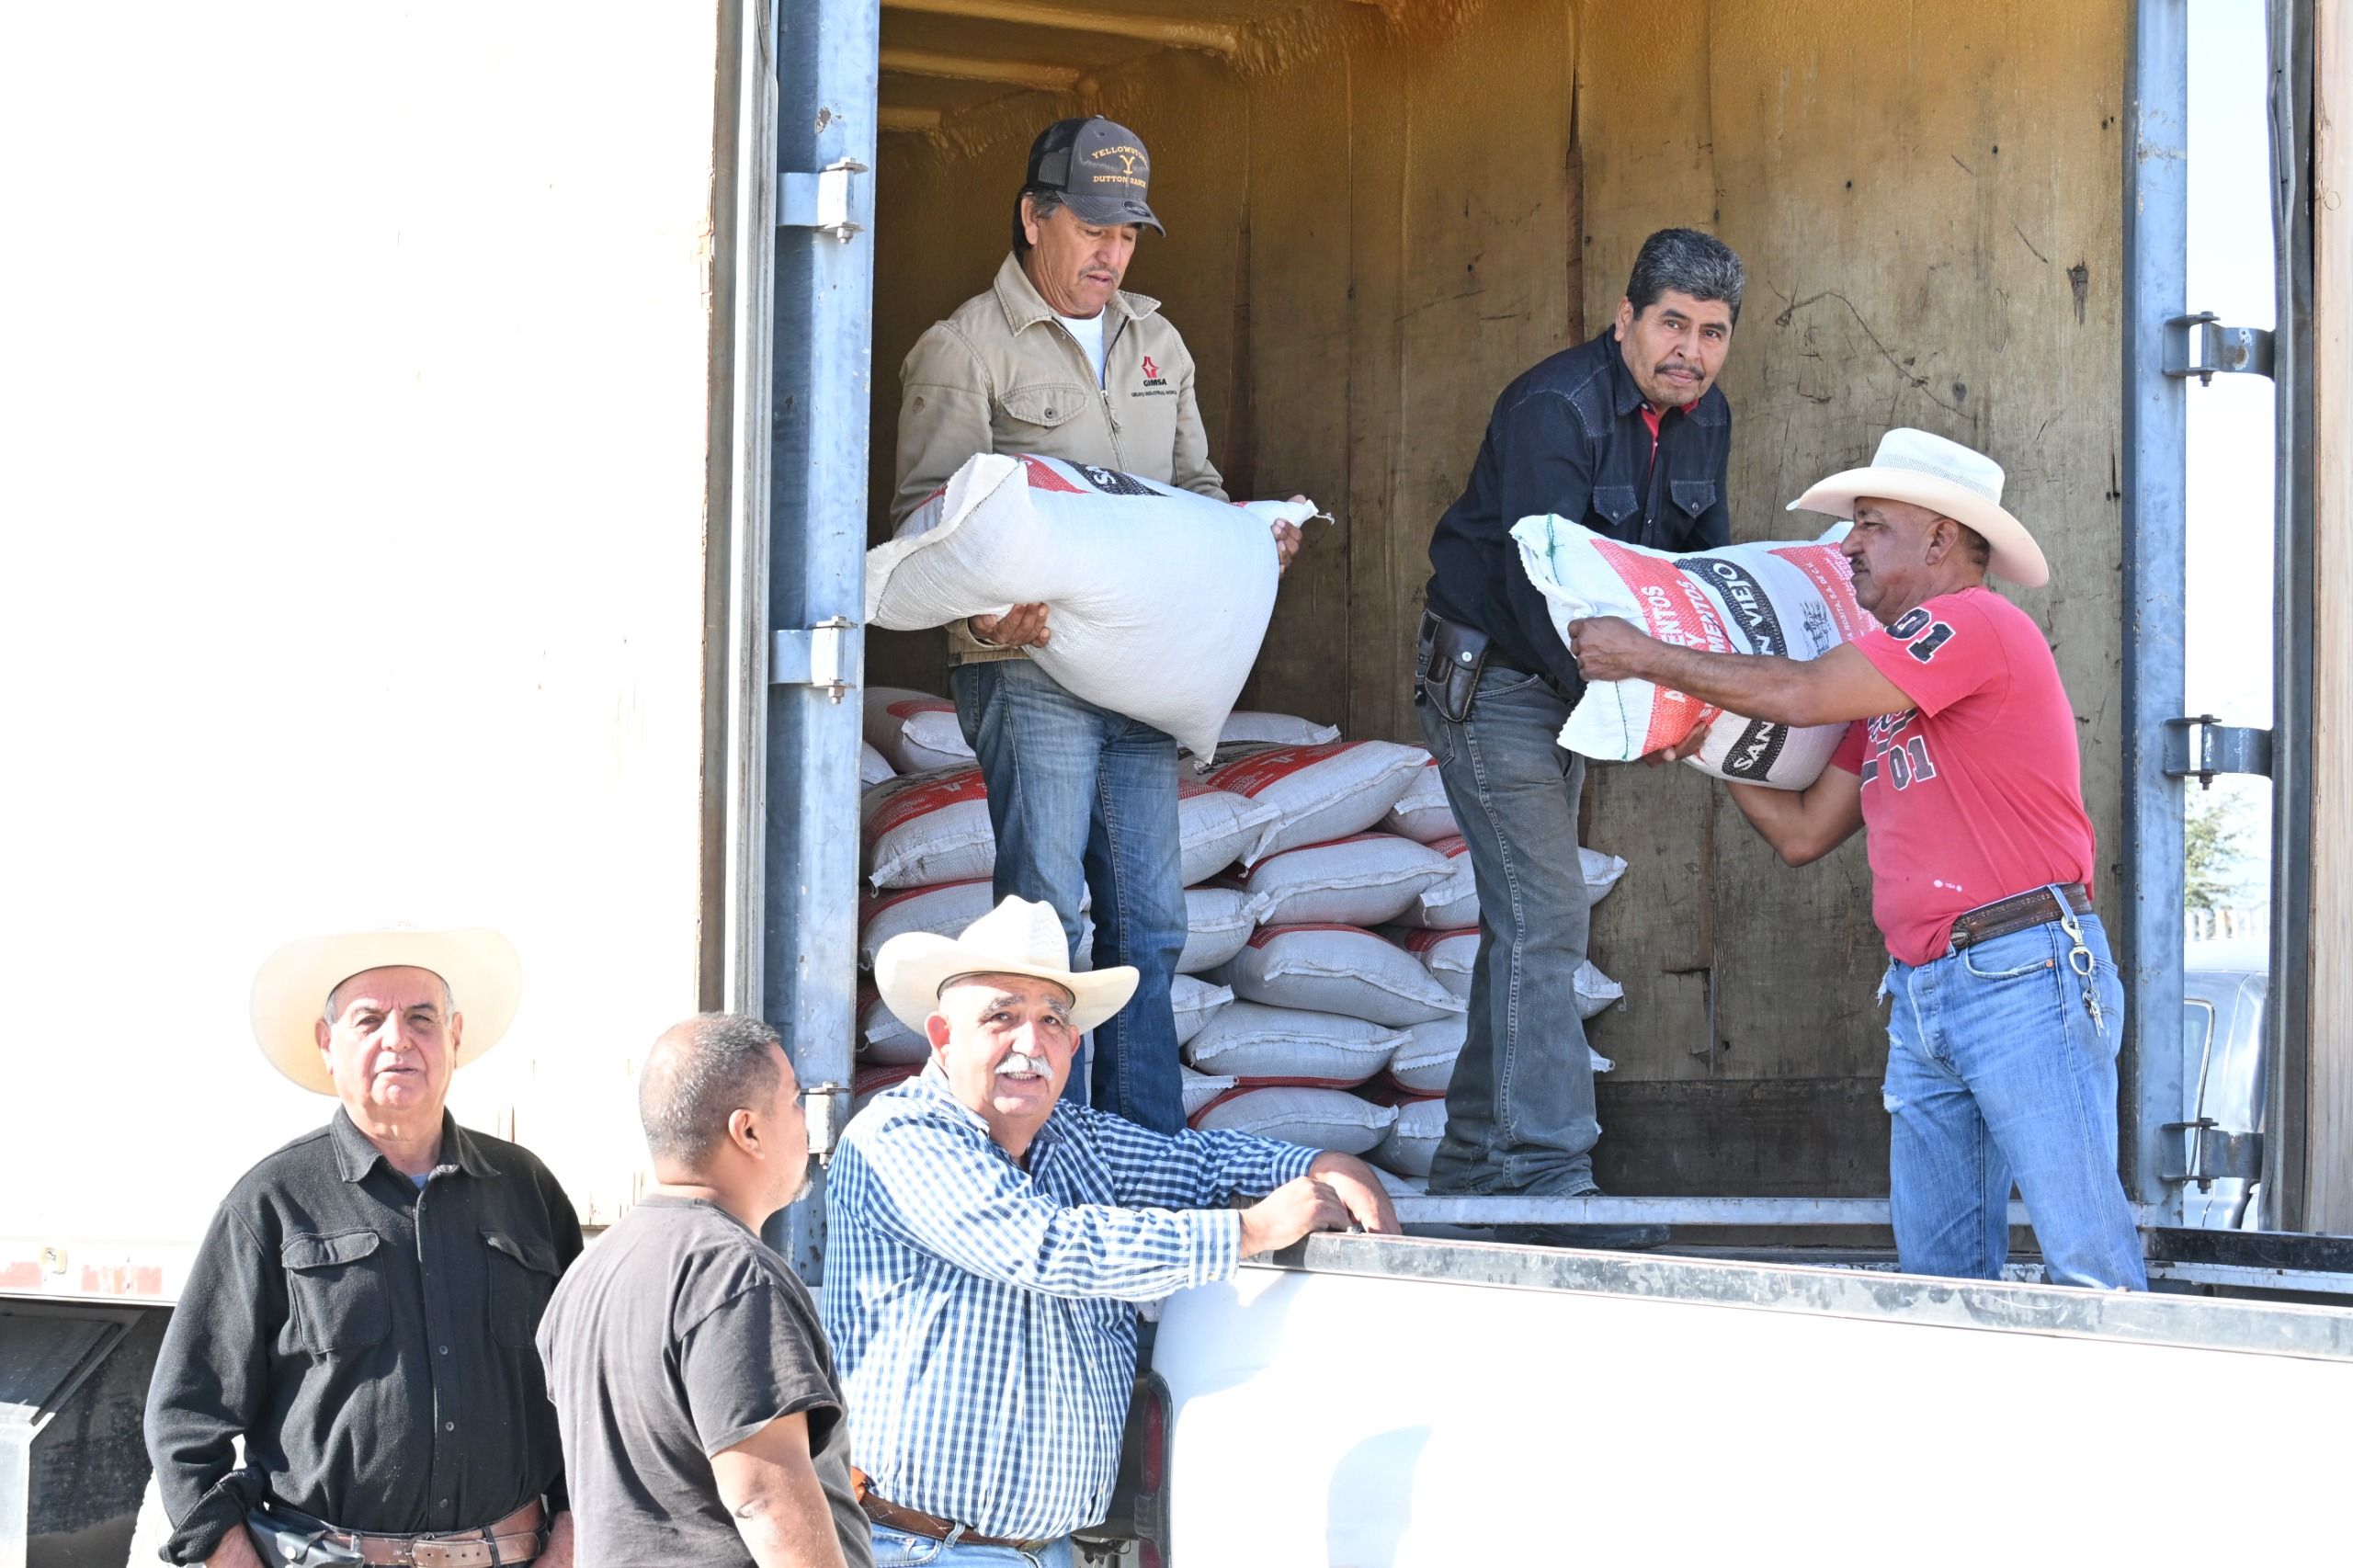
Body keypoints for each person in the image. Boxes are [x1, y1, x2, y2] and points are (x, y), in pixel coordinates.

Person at [1567, 427, 2146, 1290]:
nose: (1848, 546)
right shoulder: (1885, 695)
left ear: (1942, 539)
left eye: (1872, 523)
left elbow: (1800, 696)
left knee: (2089, 1266)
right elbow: (1802, 833)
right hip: (1929, 993)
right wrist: (1698, 745)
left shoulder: (1974, 624)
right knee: (1940, 1281)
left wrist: (1648, 658)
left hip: (2024, 976)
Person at [889, 115, 1303, 1134]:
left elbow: (1195, 492)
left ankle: (1143, 1150)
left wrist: (1252, 541)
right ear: (1036, 218)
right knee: (1043, 923)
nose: (1111, 254)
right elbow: (920, 518)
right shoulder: (961, 349)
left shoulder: (1158, 343)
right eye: (1092, 228)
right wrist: (989, 601)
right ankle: (1046, 1146)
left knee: (1150, 927)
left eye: (1127, 234)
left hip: (1140, 667)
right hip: (1024, 668)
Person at [825, 896, 1397, 1563]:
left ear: (1073, 1045)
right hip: (919, 1548)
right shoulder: (901, 1135)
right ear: (945, 1038)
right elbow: (1048, 1247)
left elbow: (1199, 1163)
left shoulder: (1074, 1138)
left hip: (1045, 1549)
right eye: (1001, 1017)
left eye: (1050, 1022)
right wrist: (1249, 1230)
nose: (1028, 1045)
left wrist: (1321, 1162)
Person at [1414, 226, 1745, 1238]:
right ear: (1625, 319)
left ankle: (1475, 1160)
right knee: (1547, 914)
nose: (1689, 350)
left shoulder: (1705, 417)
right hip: (1497, 676)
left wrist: (1694, 691)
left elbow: (1698, 571)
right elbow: (1535, 593)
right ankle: (1543, 1178)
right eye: (1672, 324)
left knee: (1528, 916)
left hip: (1584, 688)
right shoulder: (1553, 409)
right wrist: (1637, 700)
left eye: (1713, 332)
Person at [145, 926, 582, 1566]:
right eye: (369, 1020)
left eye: (422, 1018)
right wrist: (230, 1554)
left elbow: (589, 1394)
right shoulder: (271, 1201)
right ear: (328, 1044)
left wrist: (571, 1539)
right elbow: (185, 1421)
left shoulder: (528, 1192)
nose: (397, 1039)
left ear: (455, 1036)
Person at [536, 1014, 871, 1568]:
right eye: (792, 1102)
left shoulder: (589, 1275)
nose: (807, 1124)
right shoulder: (733, 1276)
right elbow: (764, 1498)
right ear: (748, 1131)